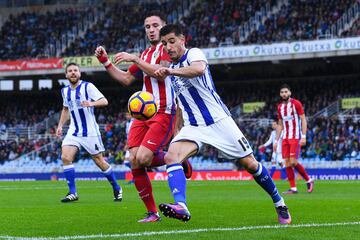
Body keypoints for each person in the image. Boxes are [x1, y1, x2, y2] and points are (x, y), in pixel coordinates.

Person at [154, 24, 291, 224]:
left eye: (172, 41)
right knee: (171, 156)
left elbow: (199, 69)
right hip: (194, 126)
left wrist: (169, 72)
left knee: (250, 164)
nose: (168, 47)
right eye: (164, 43)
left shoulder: (194, 54)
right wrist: (177, 131)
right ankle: (181, 206)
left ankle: (279, 202)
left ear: (183, 40)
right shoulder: (172, 71)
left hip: (218, 121)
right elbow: (181, 104)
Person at [94, 12, 192, 222]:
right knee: (135, 162)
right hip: (142, 114)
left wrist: (134, 58)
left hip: (163, 111)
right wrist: (105, 62)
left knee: (145, 157)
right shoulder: (145, 54)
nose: (151, 29)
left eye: (155, 25)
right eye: (147, 26)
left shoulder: (168, 49)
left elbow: (161, 72)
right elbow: (127, 78)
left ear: (163, 27)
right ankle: (152, 213)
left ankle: (176, 158)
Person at [56, 62, 122, 203]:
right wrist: (60, 126)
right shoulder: (64, 91)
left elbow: (104, 101)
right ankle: (73, 192)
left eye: (75, 70)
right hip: (73, 131)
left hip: (90, 132)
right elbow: (65, 109)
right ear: (66, 75)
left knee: (99, 161)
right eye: (70, 71)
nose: (73, 72)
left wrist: (91, 103)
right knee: (66, 157)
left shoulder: (88, 87)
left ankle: (116, 187)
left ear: (79, 73)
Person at [274, 84, 314, 194]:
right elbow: (280, 125)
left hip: (295, 137)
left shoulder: (296, 103)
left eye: (286, 92)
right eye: (282, 92)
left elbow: (303, 120)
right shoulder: (279, 107)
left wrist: (304, 136)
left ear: (290, 93)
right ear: (280, 94)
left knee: (293, 161)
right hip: (285, 138)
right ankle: (293, 188)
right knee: (286, 163)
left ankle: (309, 180)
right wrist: (276, 141)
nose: (284, 94)